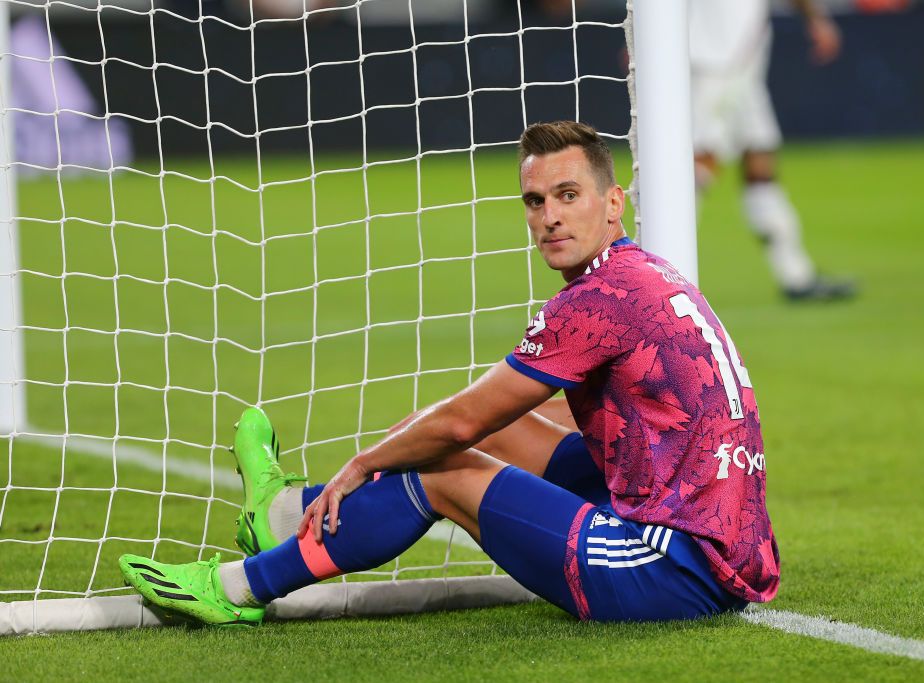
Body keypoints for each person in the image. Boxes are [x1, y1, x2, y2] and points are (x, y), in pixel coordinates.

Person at [118, 121, 779, 625]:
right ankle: (287, 512)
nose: (548, 215)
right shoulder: (642, 273)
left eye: (568, 195)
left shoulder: (595, 301)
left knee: (443, 462)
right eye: (535, 199)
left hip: (670, 563)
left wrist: (360, 464)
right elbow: (481, 417)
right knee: (506, 428)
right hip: (715, 536)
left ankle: (242, 587)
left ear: (614, 203)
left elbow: (461, 422)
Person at [689, 0, 857, 301]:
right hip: (717, 64)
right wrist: (817, 20)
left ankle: (796, 275)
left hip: (740, 67)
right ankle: (643, 276)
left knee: (760, 161)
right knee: (700, 164)